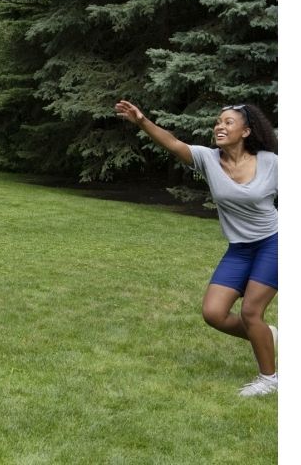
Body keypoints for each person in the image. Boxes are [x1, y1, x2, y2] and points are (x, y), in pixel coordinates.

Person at [115, 100, 278, 397]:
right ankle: (267, 336)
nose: (220, 126)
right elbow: (173, 143)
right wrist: (142, 121)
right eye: (218, 122)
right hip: (239, 248)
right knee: (214, 313)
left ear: (246, 131)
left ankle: (269, 379)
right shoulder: (208, 159)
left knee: (251, 311)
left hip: (273, 242)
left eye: (228, 122)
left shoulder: (270, 162)